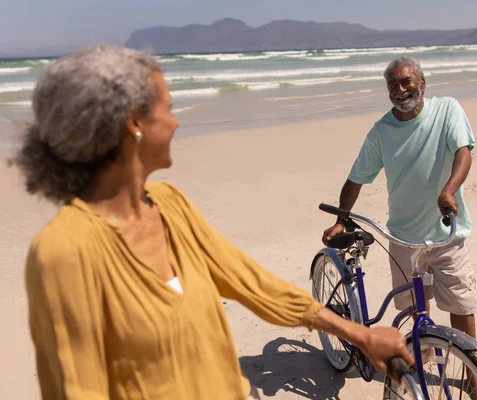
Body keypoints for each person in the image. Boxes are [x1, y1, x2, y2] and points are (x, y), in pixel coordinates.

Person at [10, 45, 413, 400]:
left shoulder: (170, 204)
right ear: (134, 123)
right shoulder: (64, 251)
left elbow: (252, 284)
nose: (176, 122)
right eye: (168, 107)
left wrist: (360, 335)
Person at [322, 56, 477, 355]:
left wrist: (449, 191)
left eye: (406, 81)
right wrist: (341, 220)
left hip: (447, 234)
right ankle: (424, 360)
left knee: (461, 304)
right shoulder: (381, 131)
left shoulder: (447, 109)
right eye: (392, 84)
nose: (400, 89)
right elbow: (356, 178)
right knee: (414, 309)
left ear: (422, 83)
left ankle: (473, 376)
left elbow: (464, 152)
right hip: (402, 238)